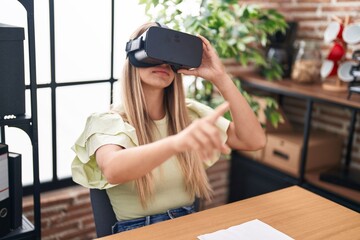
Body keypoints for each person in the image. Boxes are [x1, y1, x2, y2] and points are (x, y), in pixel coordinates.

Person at [71, 22, 266, 234]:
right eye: (155, 53)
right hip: (138, 232)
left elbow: (254, 141)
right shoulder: (108, 121)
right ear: (134, 55)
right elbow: (113, 170)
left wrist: (220, 77)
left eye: (170, 58)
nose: (163, 63)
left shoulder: (189, 114)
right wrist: (177, 142)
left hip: (190, 227)